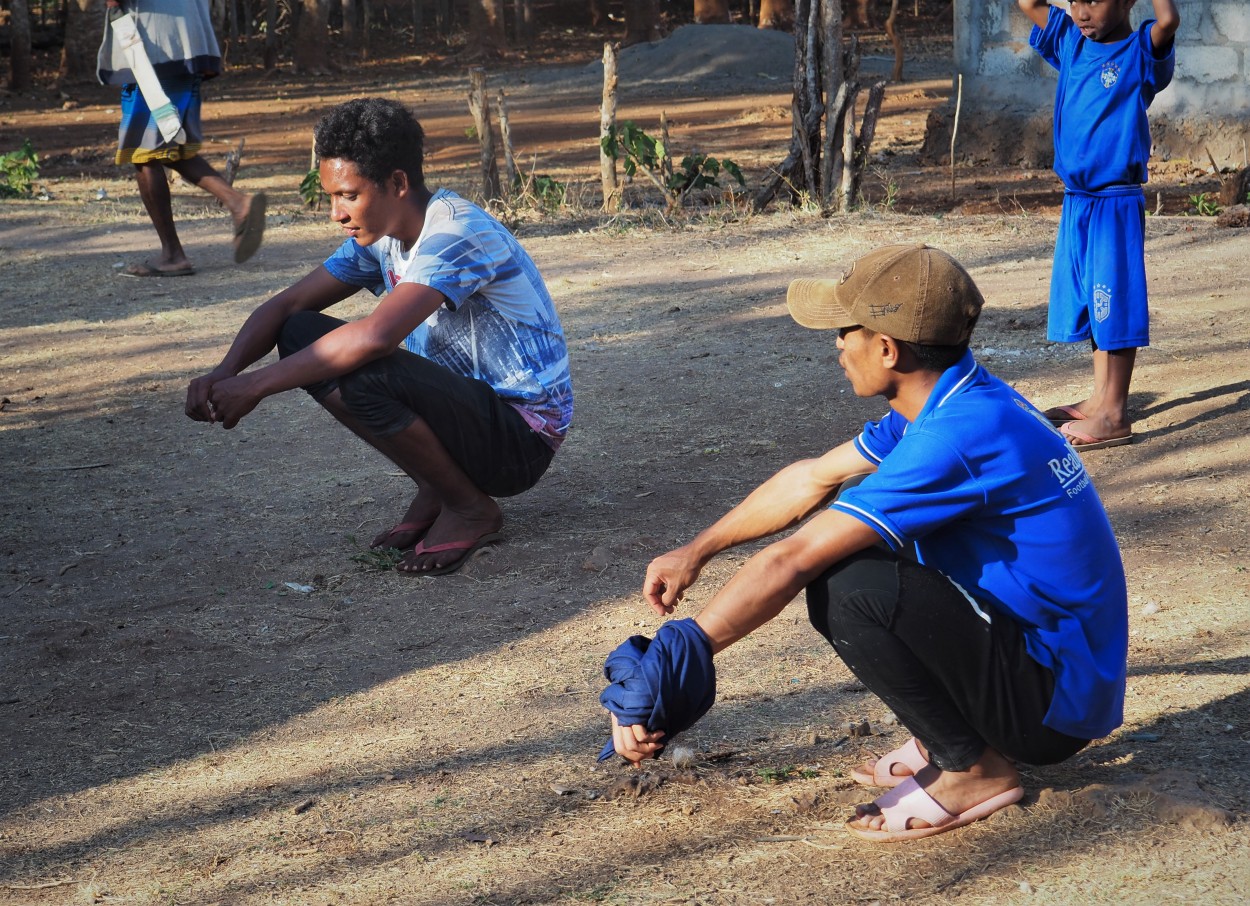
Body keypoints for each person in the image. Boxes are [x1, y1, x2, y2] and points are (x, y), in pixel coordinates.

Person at [603, 244, 1129, 844]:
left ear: (887, 348)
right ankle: (948, 734)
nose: (836, 345)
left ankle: (973, 766)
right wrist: (697, 550)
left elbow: (794, 557)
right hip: (1047, 664)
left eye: (846, 331)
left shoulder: (954, 436)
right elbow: (815, 477)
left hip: (1049, 706)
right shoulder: (947, 397)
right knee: (860, 548)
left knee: (847, 584)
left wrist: (676, 657)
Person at [184, 98, 572, 575]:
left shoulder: (455, 232)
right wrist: (224, 374)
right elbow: (286, 306)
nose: (336, 213)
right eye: (331, 197)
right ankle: (440, 485)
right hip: (470, 419)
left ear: (397, 183)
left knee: (361, 367)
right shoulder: (384, 235)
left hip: (519, 441)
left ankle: (469, 506)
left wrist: (256, 385)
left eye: (348, 194)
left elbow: (377, 338)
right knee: (300, 330)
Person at [1017, 0, 1180, 449]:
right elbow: (1029, 3)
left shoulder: (1139, 52)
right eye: (1076, 0)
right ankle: (1098, 398)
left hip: (1114, 201)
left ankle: (1114, 412)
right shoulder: (1070, 42)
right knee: (1095, 301)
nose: (1081, 11)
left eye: (1095, 0)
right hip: (1078, 202)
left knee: (1116, 301)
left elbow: (1168, 20)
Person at [98, 0, 266, 276]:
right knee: (170, 145)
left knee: (144, 153)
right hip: (185, 41)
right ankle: (235, 205)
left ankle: (176, 253)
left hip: (155, 48)